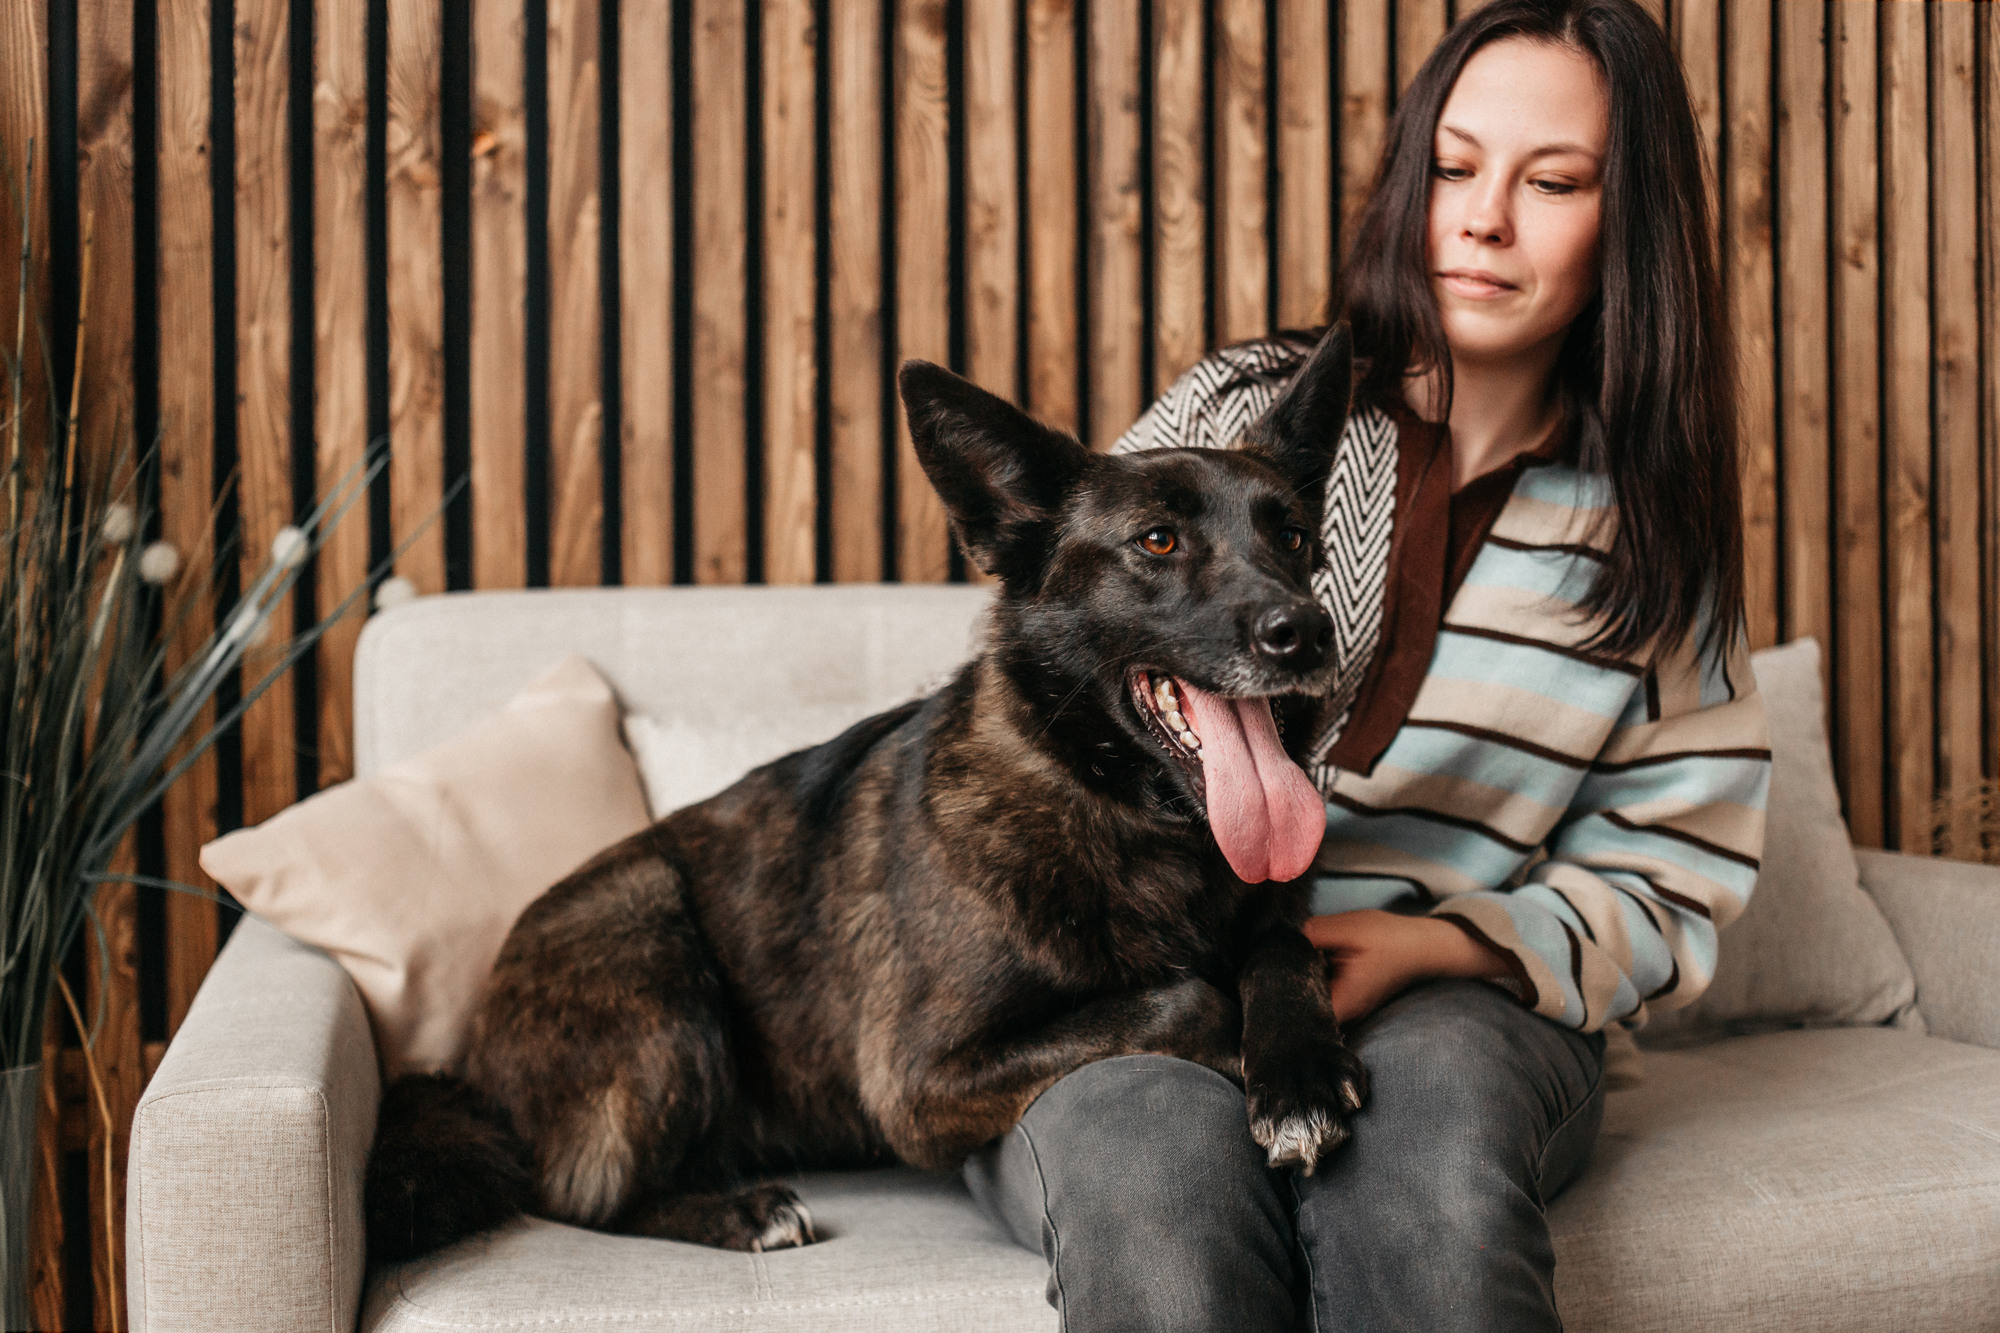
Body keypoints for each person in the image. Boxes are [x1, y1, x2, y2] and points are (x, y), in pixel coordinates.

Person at [961, 1, 1770, 1329]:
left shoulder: (1656, 533)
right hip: (1151, 973)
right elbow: (1065, 674)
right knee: (1160, 1187)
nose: (1484, 217)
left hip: (1460, 998)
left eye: (1554, 181)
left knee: (1429, 1161)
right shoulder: (1231, 417)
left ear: (1630, 224)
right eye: (1453, 167)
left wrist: (1438, 941)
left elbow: (1673, 875)